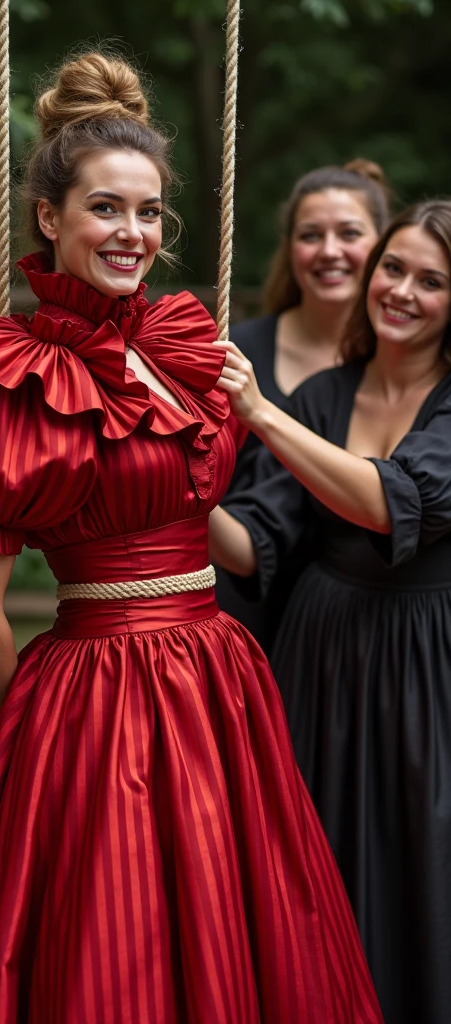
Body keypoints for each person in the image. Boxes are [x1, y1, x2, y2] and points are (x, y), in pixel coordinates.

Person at [0, 54, 381, 1023]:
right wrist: (43, 725)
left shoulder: (180, 343)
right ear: (49, 218)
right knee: (111, 960)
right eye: (106, 209)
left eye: (148, 212)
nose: (132, 233)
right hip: (97, 702)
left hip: (220, 692)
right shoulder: (18, 379)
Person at [212, 200, 451, 1024]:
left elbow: (391, 504)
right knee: (316, 867)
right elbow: (254, 545)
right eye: (395, 269)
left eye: (432, 280)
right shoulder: (323, 394)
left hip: (427, 669)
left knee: (424, 863)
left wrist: (260, 415)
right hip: (320, 662)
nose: (403, 291)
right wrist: (167, 478)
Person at [215, 161, 391, 649]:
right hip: (236, 604)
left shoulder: (399, 368)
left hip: (353, 622)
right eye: (310, 235)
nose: (329, 251)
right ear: (290, 249)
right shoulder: (234, 351)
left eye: (349, 233)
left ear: (383, 246)